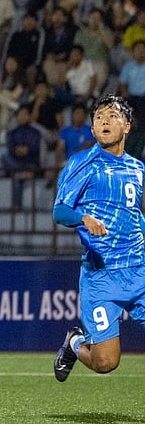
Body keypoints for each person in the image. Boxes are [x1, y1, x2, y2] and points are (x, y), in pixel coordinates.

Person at [53, 95, 145, 382]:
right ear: (92, 129)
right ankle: (74, 343)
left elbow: (134, 213)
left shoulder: (138, 168)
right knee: (106, 362)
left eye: (112, 115)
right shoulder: (82, 163)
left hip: (140, 269)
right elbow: (59, 211)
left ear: (127, 126)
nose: (104, 120)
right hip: (101, 276)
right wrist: (83, 219)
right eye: (99, 117)